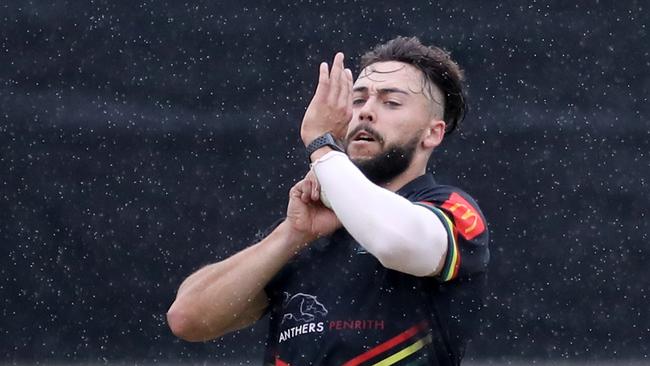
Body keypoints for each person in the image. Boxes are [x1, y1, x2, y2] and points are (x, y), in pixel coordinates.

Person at [167, 36, 490, 365]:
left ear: (432, 133)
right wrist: (293, 235)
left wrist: (322, 145)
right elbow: (188, 320)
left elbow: (393, 242)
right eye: (358, 100)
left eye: (391, 102)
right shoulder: (311, 229)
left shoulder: (449, 209)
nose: (365, 113)